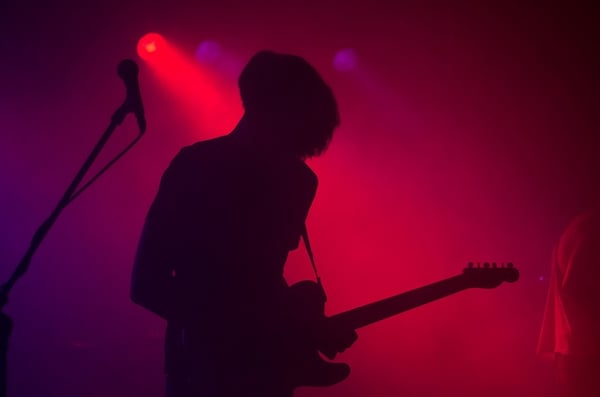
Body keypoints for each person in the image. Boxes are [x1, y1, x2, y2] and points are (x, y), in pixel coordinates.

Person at [130, 51, 357, 397]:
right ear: (268, 109)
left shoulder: (299, 181)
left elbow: (260, 278)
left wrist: (307, 328)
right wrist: (229, 331)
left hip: (265, 378)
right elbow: (147, 283)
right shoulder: (195, 167)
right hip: (203, 371)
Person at [538, 206, 600, 397]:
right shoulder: (592, 229)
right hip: (587, 358)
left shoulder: (583, 226)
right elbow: (574, 287)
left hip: (578, 355)